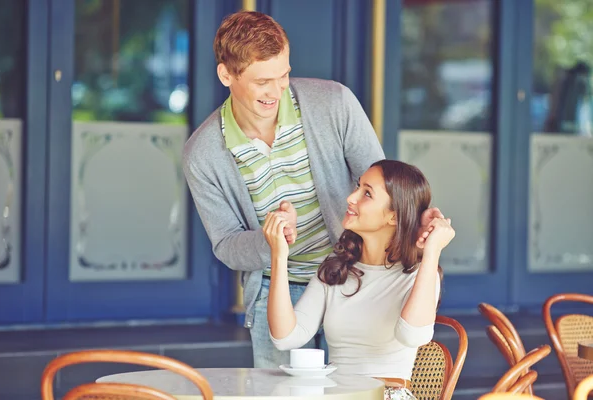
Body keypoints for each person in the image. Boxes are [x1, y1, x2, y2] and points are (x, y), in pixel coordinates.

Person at [182, 10, 443, 368]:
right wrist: (272, 240)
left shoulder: (334, 103)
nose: (277, 91)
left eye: (284, 74)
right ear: (227, 74)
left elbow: (383, 186)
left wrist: (415, 214)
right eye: (263, 82)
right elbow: (226, 243)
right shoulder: (203, 154)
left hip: (353, 277)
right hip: (278, 290)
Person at [263, 160, 454, 400]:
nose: (351, 198)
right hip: (336, 394)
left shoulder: (420, 273)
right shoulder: (337, 268)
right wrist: (279, 255)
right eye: (358, 187)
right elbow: (285, 337)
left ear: (394, 216)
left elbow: (413, 336)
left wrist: (432, 250)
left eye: (366, 193)